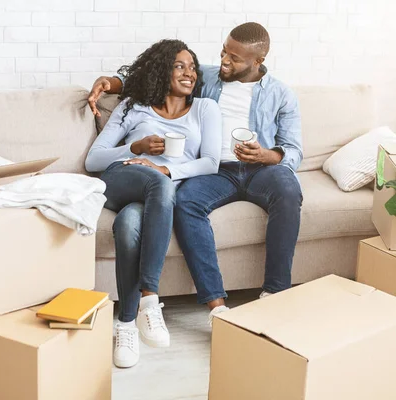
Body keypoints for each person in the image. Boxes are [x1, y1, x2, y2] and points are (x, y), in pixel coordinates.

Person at [88, 22, 302, 326]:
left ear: (258, 61)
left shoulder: (282, 95)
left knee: (288, 188)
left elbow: (293, 150)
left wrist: (268, 155)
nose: (226, 61)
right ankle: (216, 306)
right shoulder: (209, 78)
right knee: (186, 202)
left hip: (261, 169)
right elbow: (158, 74)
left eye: (235, 58)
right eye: (224, 52)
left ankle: (274, 293)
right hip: (217, 171)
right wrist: (112, 82)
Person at [85, 39, 222, 368]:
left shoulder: (205, 109)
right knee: (159, 185)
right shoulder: (134, 106)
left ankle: (126, 323)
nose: (189, 73)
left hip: (162, 188)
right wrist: (135, 148)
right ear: (162, 70)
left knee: (129, 224)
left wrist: (165, 168)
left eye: (192, 67)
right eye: (179, 66)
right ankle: (150, 297)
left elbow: (211, 163)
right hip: (121, 178)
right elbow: (93, 160)